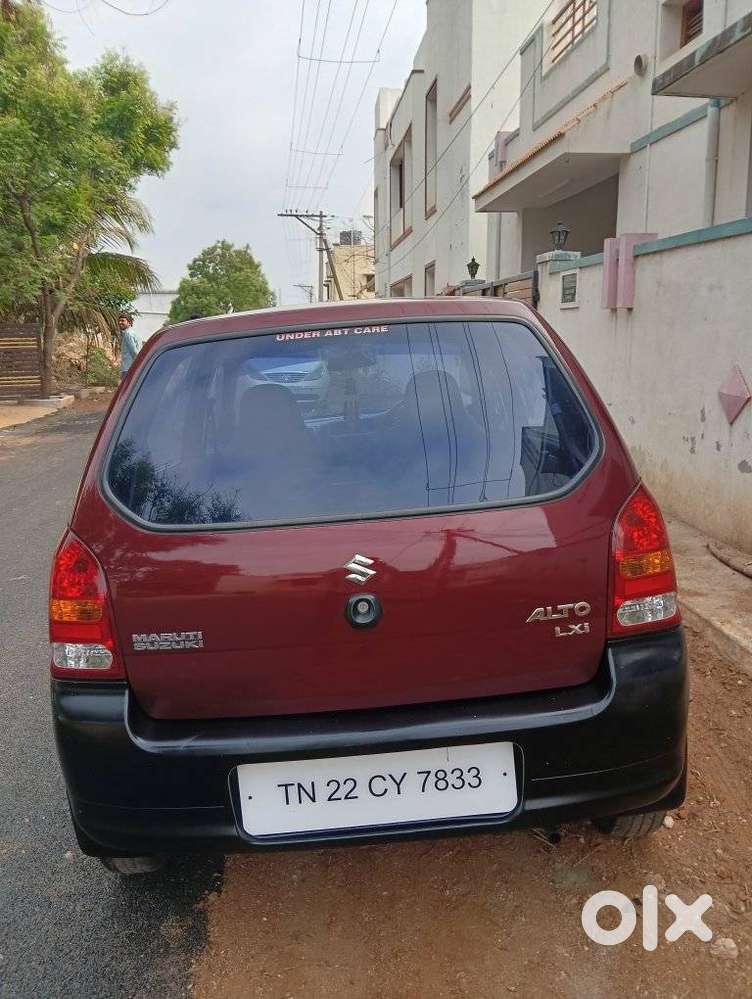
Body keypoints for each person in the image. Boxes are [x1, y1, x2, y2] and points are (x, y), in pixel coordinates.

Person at [118, 313, 139, 379]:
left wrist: (138, 365)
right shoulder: (132, 333)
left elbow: (134, 352)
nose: (120, 322)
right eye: (119, 321)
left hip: (128, 368)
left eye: (122, 320)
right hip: (130, 367)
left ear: (129, 323)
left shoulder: (128, 334)